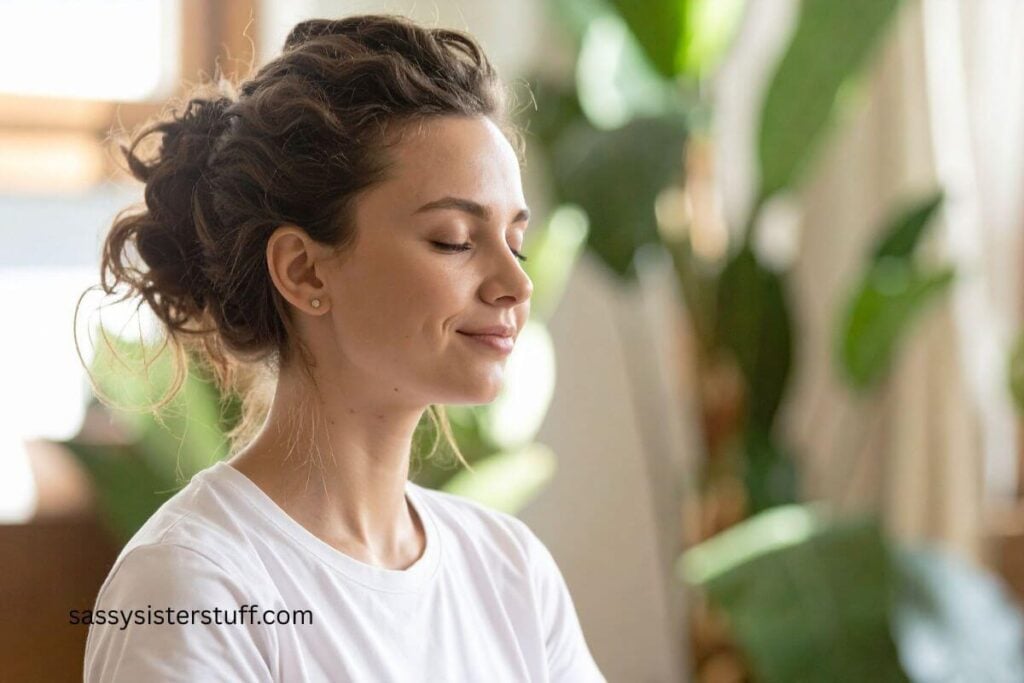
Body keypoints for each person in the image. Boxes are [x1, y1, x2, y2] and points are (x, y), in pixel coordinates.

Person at [80, 13, 605, 683]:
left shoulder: (511, 574)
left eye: (516, 242)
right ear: (304, 271)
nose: (516, 283)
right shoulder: (193, 586)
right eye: (453, 240)